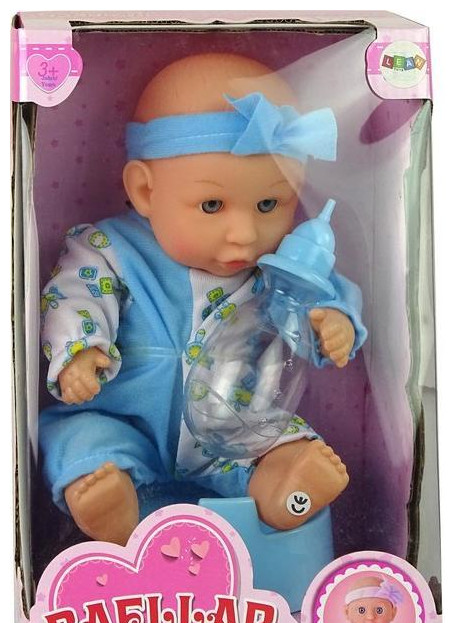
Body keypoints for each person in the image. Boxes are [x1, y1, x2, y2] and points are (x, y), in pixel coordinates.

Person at [40, 53, 367, 544]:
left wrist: (333, 320)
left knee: (275, 439)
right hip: (123, 419)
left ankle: (284, 485)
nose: (245, 233)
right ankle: (112, 508)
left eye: (269, 204)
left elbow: (319, 292)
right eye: (212, 205)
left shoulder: (277, 266)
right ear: (145, 191)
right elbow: (75, 292)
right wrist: (81, 350)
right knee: (83, 443)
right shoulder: (111, 250)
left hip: (234, 425)